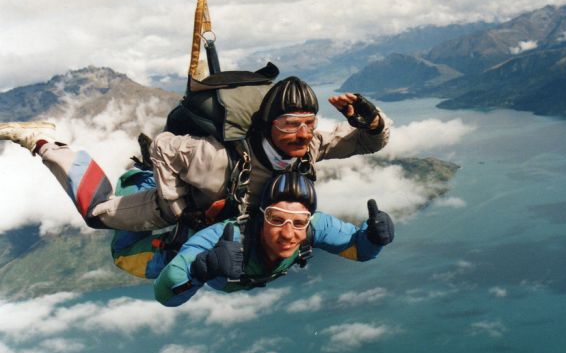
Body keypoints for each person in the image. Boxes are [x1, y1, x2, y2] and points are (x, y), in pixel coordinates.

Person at [0, 76, 390, 232]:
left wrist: (372, 122)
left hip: (221, 209)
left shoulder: (311, 147)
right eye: (290, 123)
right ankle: (44, 142)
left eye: (309, 122)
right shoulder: (216, 157)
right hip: (185, 198)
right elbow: (164, 147)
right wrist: (177, 209)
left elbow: (369, 142)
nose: (303, 134)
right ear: (269, 124)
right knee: (97, 216)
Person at [153, 171, 395, 307]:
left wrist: (374, 237)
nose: (289, 234)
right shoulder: (226, 236)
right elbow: (165, 295)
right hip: (169, 253)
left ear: (309, 220)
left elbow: (359, 248)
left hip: (242, 280)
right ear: (260, 217)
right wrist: (200, 267)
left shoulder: (316, 227)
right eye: (276, 219)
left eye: (299, 222)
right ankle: (140, 180)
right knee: (125, 257)